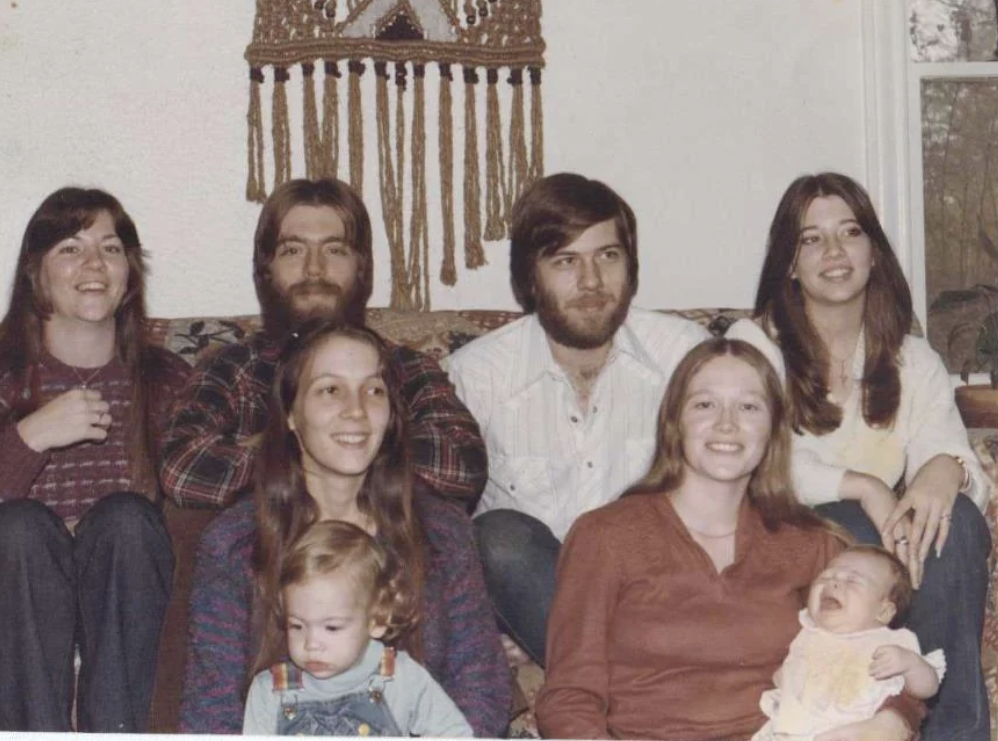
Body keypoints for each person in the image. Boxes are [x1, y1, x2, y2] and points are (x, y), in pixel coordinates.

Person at [536, 338, 920, 741]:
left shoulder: (814, 547)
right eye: (704, 404)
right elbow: (569, 697)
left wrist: (891, 722)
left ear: (773, 430)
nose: (726, 424)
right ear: (674, 421)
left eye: (749, 407)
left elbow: (890, 663)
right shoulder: (605, 537)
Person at [728, 171, 991, 740]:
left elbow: (945, 449)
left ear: (874, 252)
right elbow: (758, 461)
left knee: (956, 521)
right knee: (857, 521)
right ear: (789, 264)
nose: (834, 251)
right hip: (782, 538)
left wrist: (947, 468)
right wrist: (867, 486)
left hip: (874, 561)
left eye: (849, 232)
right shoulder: (754, 346)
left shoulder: (912, 358)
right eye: (811, 238)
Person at [0, 187, 190, 731]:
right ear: (36, 274)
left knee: (124, 518)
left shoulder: (170, 383)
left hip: (129, 598)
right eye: (70, 248)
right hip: (18, 600)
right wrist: (27, 440)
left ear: (130, 274)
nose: (94, 263)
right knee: (21, 527)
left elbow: (194, 522)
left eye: (111, 248)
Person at [180, 320, 510, 736]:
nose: (356, 410)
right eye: (330, 389)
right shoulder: (235, 543)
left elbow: (481, 686)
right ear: (291, 416)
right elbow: (211, 712)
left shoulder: (442, 533)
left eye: (374, 390)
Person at [443, 172, 708, 667]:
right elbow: (438, 526)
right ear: (530, 278)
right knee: (499, 535)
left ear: (631, 266)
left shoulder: (684, 357)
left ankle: (593, 670)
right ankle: (624, 682)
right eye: (566, 261)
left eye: (607, 256)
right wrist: (513, 615)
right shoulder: (476, 375)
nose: (591, 282)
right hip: (535, 587)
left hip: (656, 595)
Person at [161, 177, 486, 511]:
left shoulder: (408, 367)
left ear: (362, 268)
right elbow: (183, 470)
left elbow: (464, 466)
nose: (314, 269)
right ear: (265, 269)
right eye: (293, 250)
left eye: (334, 250)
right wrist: (358, 444)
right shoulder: (232, 367)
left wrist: (281, 448)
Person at [242, 520, 473, 737]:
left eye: (331, 627)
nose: (311, 644)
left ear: (378, 620)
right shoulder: (269, 692)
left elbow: (455, 734)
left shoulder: (403, 678)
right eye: (297, 626)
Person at [754, 545, 944, 740]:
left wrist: (910, 664)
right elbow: (789, 673)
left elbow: (927, 688)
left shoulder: (891, 642)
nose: (833, 584)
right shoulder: (808, 634)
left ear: (883, 611)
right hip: (792, 731)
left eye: (852, 581)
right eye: (826, 577)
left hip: (858, 729)